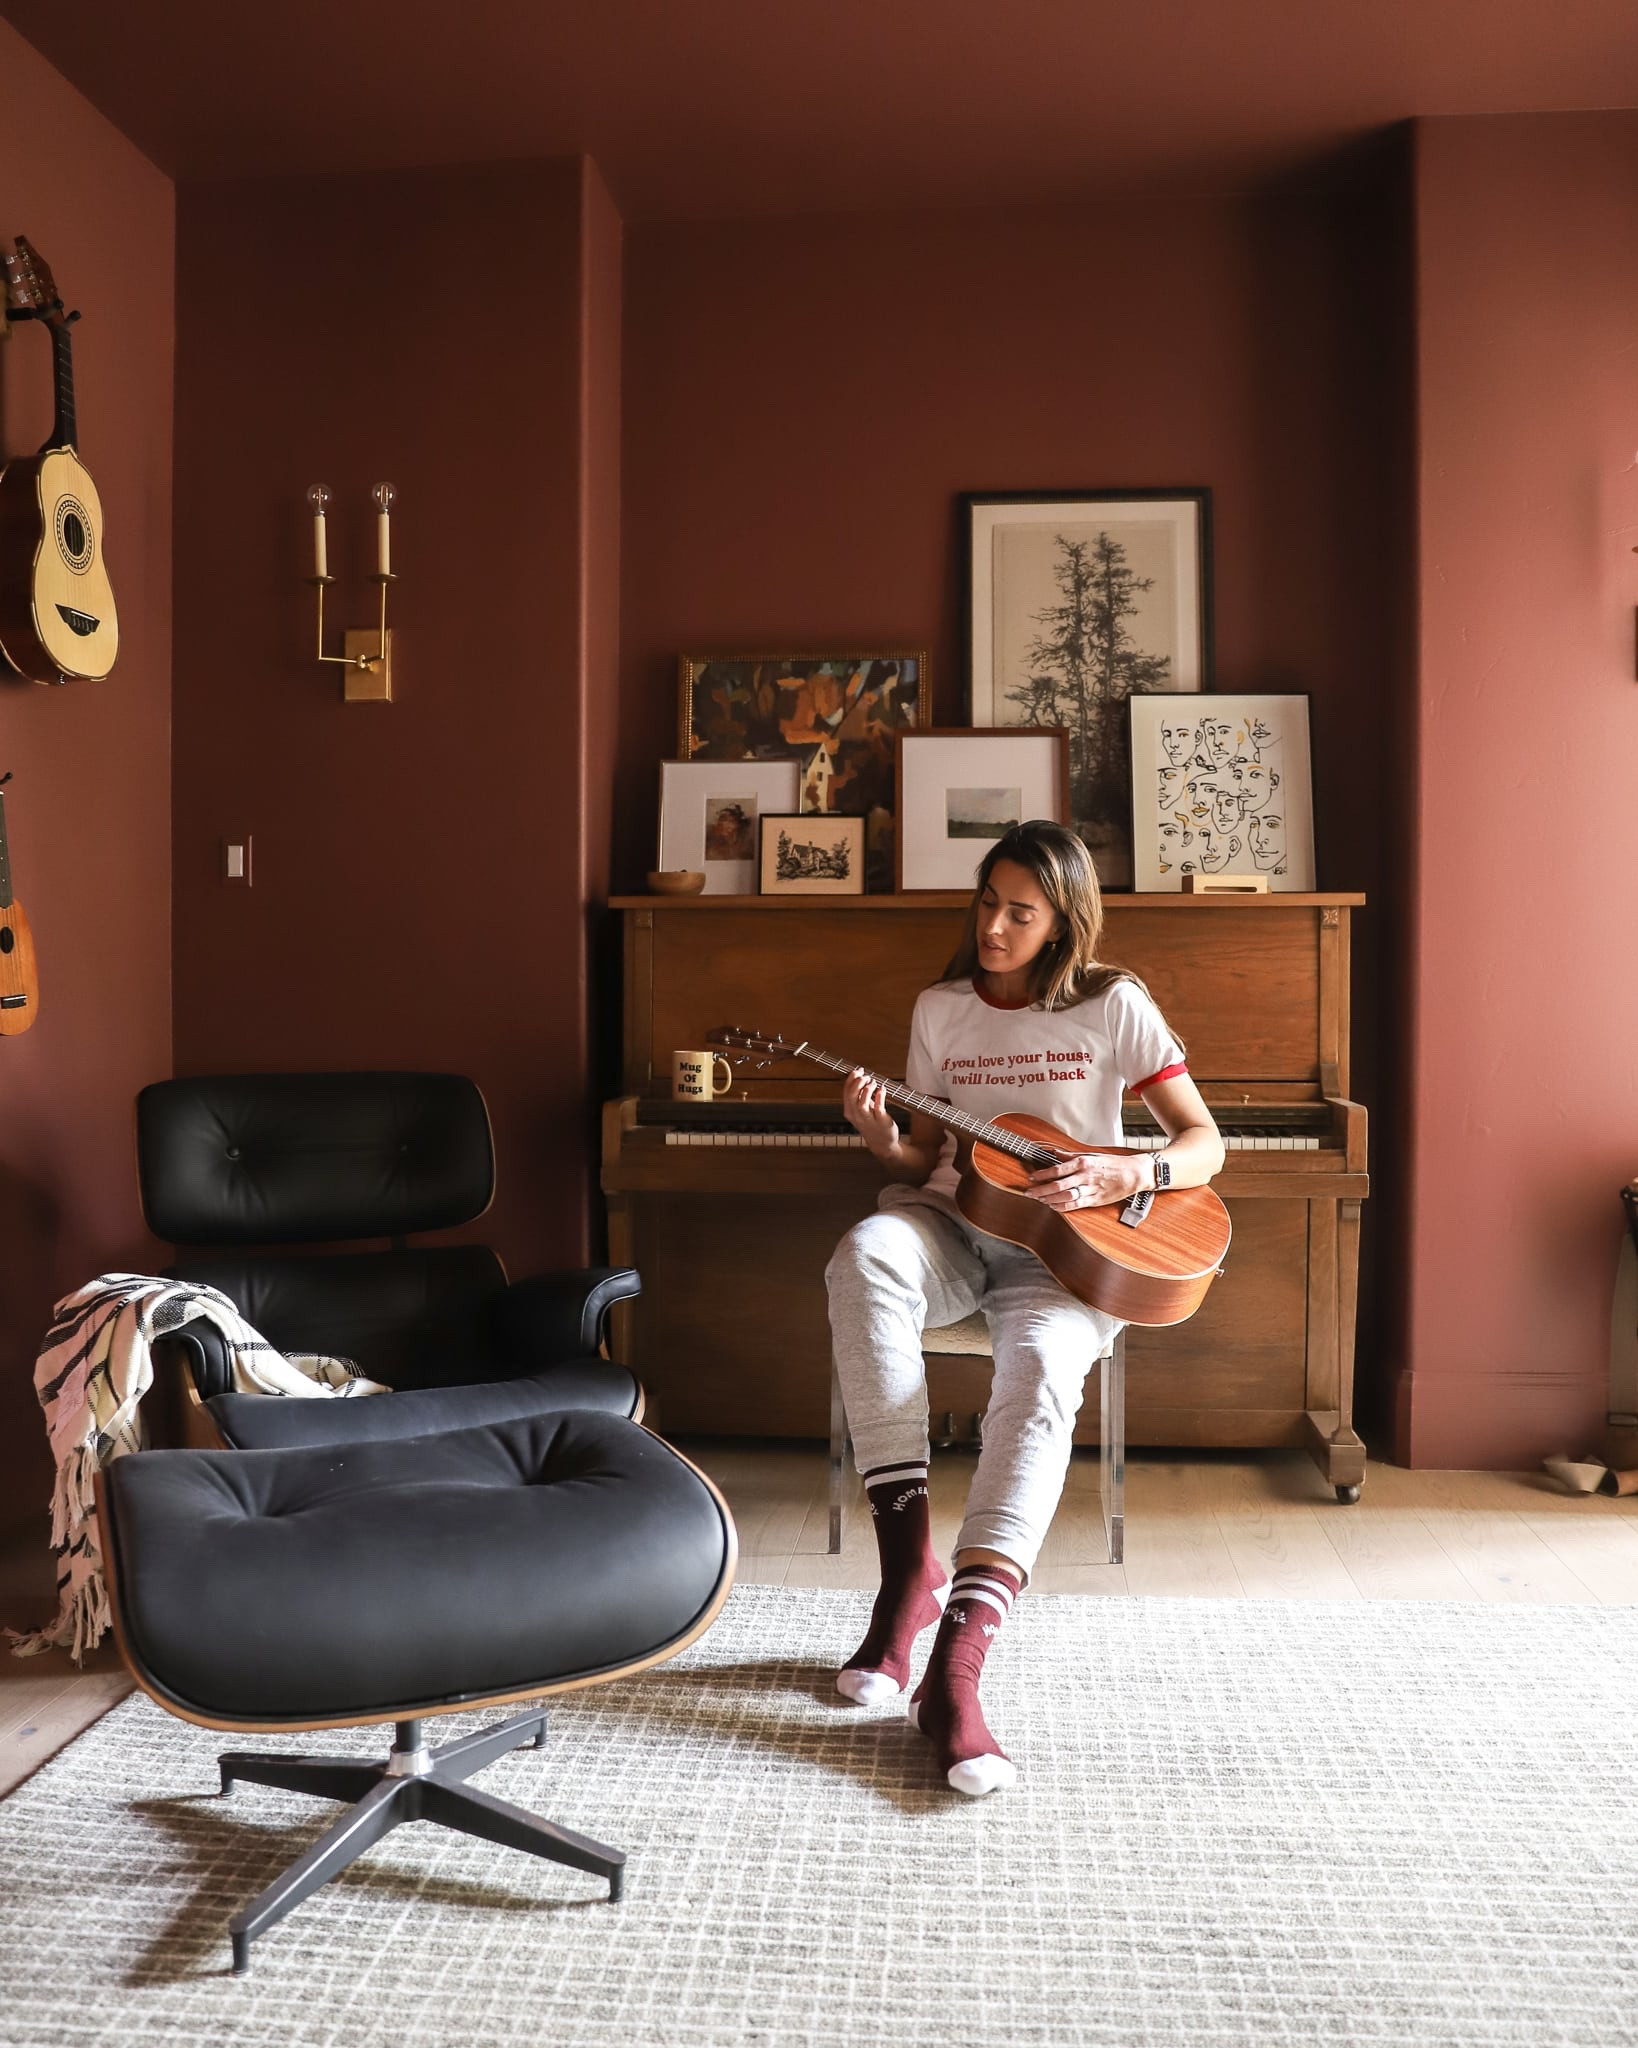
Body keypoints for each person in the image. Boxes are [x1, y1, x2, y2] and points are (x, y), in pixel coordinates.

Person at [825, 820, 1224, 1795]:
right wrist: (887, 1144)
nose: (994, 924)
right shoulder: (943, 1008)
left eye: (1020, 911)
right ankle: (905, 1572)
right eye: (986, 901)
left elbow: (1204, 1142)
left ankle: (958, 1661)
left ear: (1061, 922)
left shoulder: (1112, 1005)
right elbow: (931, 1157)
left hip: (1070, 1253)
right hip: (955, 1229)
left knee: (1042, 1366)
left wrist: (1126, 1166)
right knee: (863, 1252)